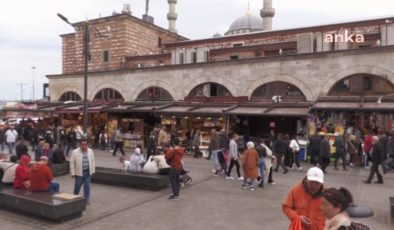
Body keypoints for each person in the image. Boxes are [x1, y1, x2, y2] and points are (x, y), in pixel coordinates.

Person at [70, 139, 95, 204]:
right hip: (79, 173)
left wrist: (93, 170)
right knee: (77, 186)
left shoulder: (90, 151)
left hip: (88, 172)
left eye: (85, 144)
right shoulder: (75, 152)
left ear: (87, 145)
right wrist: (73, 173)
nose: (84, 146)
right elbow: (72, 163)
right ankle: (75, 198)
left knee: (87, 186)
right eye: (82, 144)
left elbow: (93, 161)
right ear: (80, 145)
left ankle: (86, 199)